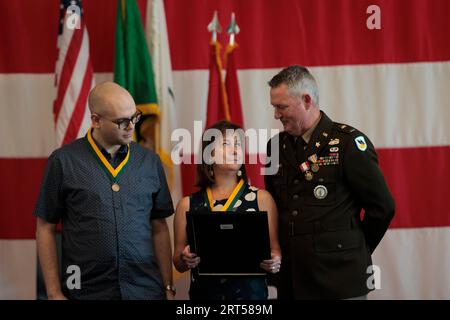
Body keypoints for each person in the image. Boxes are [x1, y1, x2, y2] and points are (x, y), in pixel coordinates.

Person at [34, 82, 175, 300]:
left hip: (145, 291)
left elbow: (159, 227)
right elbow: (45, 228)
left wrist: (168, 287)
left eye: (134, 117)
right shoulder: (63, 161)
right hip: (85, 291)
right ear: (96, 120)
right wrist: (53, 292)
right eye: (121, 121)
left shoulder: (149, 161)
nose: (131, 127)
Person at [265, 66, 395, 299]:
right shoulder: (274, 147)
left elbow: (383, 207)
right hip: (293, 280)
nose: (276, 115)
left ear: (307, 100)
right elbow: (275, 207)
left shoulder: (348, 142)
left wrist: (354, 248)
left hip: (340, 277)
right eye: (274, 107)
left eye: (281, 107)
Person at [173, 120, 282, 300]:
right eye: (226, 144)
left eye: (238, 144)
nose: (235, 150)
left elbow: (275, 251)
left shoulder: (262, 199)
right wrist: (186, 258)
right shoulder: (187, 204)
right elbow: (178, 262)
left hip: (251, 300)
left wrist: (274, 262)